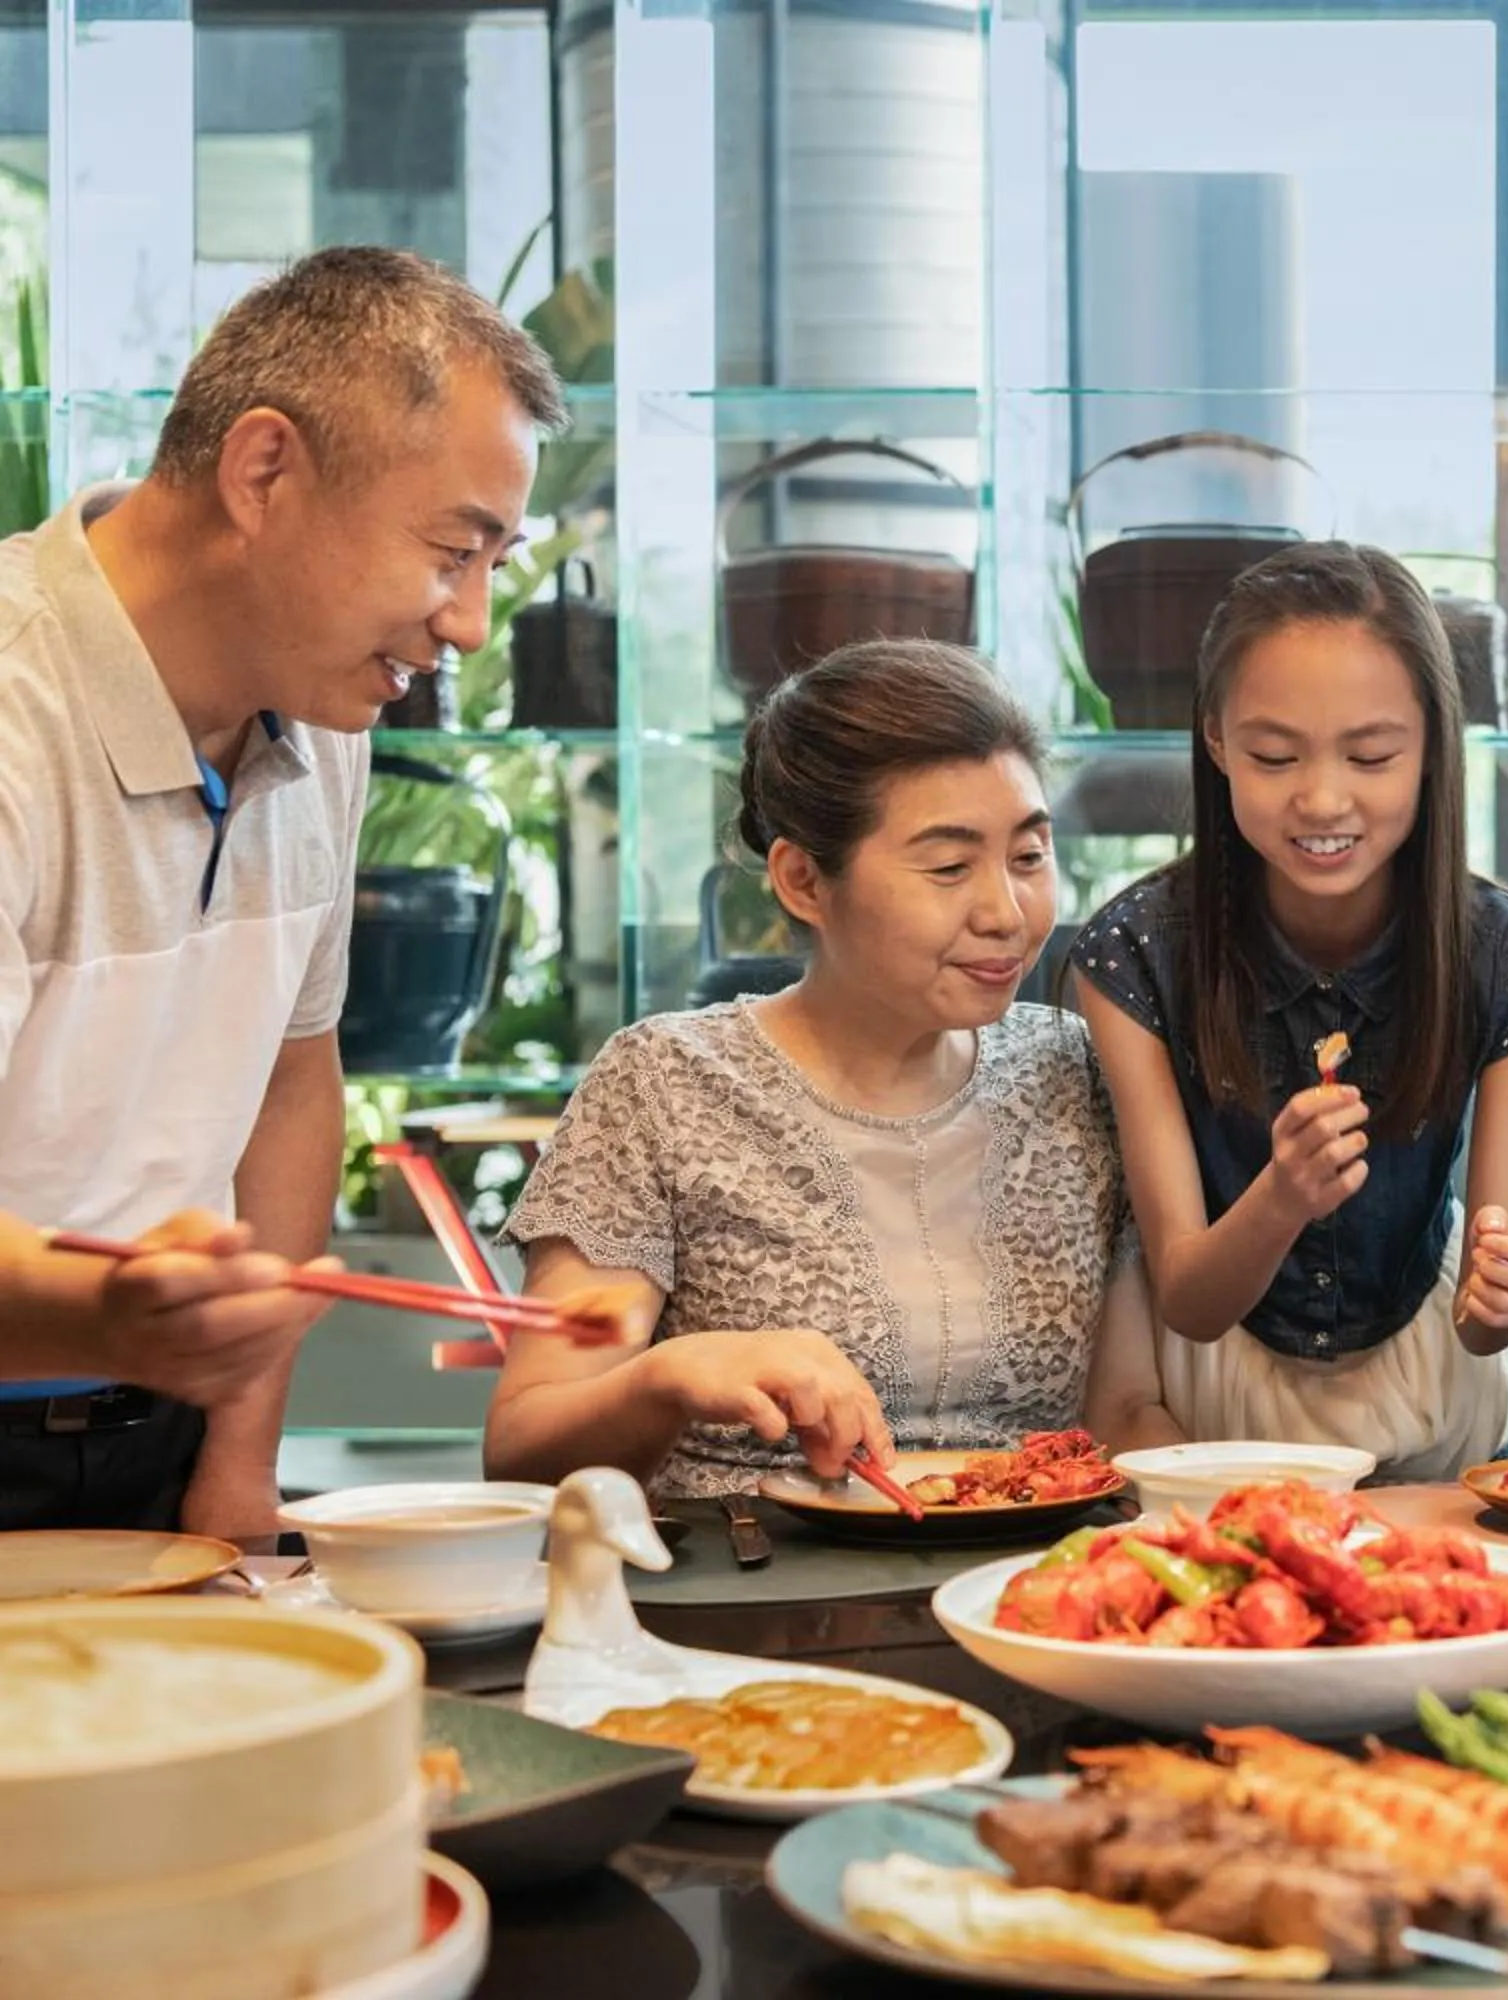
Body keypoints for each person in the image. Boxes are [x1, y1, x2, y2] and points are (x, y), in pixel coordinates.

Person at [0, 246, 561, 1536]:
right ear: (264, 472)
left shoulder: (326, 718)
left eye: (495, 562)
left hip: (168, 1425)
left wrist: (240, 1457)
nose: (469, 622)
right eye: (450, 551)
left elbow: (293, 1080)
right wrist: (103, 1310)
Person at [486, 640, 1180, 1498]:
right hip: (743, 1595)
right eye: (949, 867)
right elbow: (525, 1443)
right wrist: (674, 1374)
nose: (1006, 911)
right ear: (804, 880)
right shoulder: (663, 1085)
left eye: (1029, 858)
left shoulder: (1073, 1069)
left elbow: (1120, 1413)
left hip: (1017, 1591)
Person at [1072, 541, 1508, 1481]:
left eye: (1371, 754)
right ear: (1217, 740)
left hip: (1430, 1402)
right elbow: (1189, 1297)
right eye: (1274, 754)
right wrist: (1281, 1197)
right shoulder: (1138, 954)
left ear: (1432, 744)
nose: (1322, 797)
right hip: (1209, 1411)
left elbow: (1477, 1325)